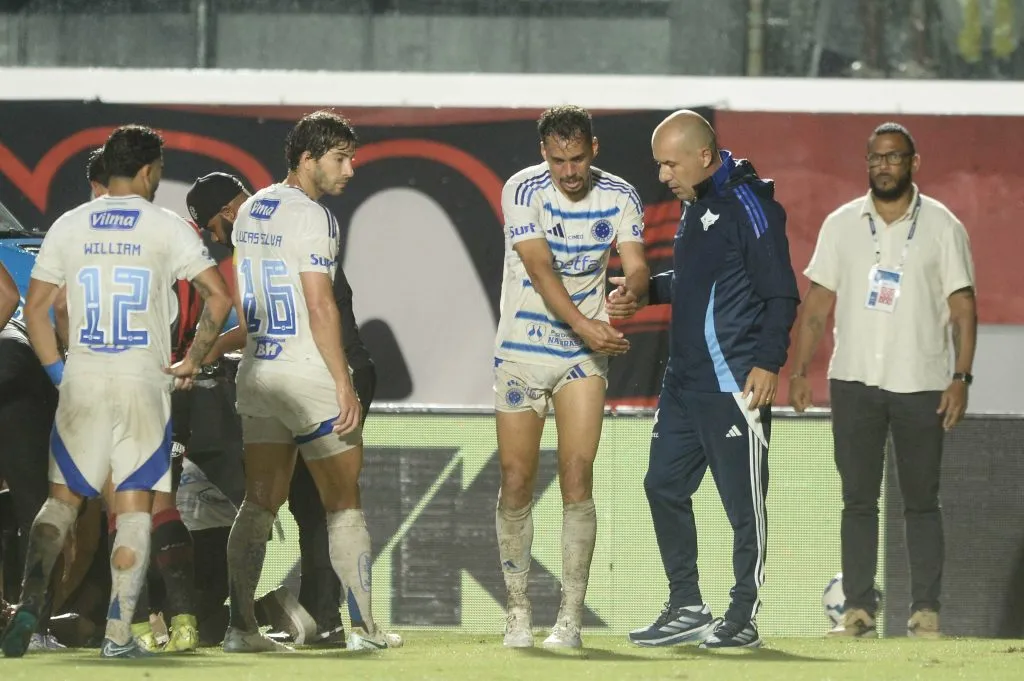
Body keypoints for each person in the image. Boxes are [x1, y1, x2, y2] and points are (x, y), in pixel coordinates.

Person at [0, 124, 232, 658]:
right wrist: (192, 359)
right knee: (132, 509)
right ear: (150, 171)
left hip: (81, 378)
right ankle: (118, 634)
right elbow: (216, 298)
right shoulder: (167, 226)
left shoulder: (69, 225)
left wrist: (58, 372)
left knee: (60, 501)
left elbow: (38, 310)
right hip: (141, 380)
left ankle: (30, 598)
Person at [612, 110, 799, 649]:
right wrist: (645, 292)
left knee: (745, 509)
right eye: (658, 165)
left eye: (670, 163)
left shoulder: (750, 205)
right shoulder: (696, 204)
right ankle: (688, 605)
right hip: (683, 382)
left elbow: (781, 291)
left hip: (733, 384)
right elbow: (698, 283)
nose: (663, 175)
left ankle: (743, 617)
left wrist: (768, 362)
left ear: (702, 154)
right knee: (662, 486)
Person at [789, 122, 976, 639]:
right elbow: (815, 309)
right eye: (875, 158)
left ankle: (925, 611)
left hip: (921, 383)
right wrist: (800, 370)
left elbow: (963, 310)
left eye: (893, 158)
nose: (883, 166)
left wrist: (960, 377)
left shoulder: (943, 225)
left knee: (921, 502)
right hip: (855, 382)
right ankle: (858, 611)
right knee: (856, 500)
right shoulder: (841, 224)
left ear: (913, 164)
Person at [221, 110, 399, 653]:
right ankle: (366, 629)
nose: (350, 169)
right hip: (307, 374)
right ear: (306, 159)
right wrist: (343, 383)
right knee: (344, 502)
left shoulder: (252, 208)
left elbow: (244, 300)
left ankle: (240, 629)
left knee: (259, 502)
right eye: (339, 158)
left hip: (257, 370)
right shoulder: (314, 217)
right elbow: (321, 303)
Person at [493, 105, 649, 650]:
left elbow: (636, 262)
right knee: (516, 480)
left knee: (577, 477)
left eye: (577, 158)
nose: (568, 171)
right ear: (544, 155)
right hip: (521, 351)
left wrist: (631, 290)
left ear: (594, 149)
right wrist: (586, 323)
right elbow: (539, 267)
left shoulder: (622, 196)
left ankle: (570, 618)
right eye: (558, 159)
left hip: (582, 357)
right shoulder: (521, 190)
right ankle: (517, 611)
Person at [84, 148, 204, 654]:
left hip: (112, 378)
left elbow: (69, 310)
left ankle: (127, 631)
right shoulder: (177, 231)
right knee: (161, 504)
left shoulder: (89, 233)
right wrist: (187, 357)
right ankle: (184, 624)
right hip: (166, 382)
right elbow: (206, 297)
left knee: (121, 508)